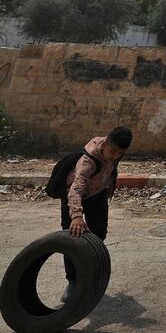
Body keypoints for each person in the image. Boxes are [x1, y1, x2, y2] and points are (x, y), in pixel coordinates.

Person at [61, 125, 131, 302]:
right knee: (72, 238)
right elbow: (75, 191)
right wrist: (76, 216)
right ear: (105, 143)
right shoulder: (88, 161)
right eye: (112, 151)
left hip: (97, 194)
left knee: (98, 234)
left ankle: (89, 274)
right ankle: (73, 282)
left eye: (119, 153)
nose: (114, 156)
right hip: (74, 197)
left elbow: (111, 170)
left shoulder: (115, 152)